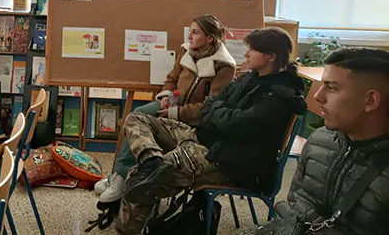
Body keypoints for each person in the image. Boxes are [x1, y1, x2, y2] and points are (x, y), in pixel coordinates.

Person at [116, 27, 307, 235]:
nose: (246, 54)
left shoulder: (279, 96)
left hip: (231, 161)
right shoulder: (250, 78)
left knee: (142, 178)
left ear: (271, 56)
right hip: (208, 140)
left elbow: (235, 123)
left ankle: (128, 230)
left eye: (252, 49)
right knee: (137, 119)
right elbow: (211, 104)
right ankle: (151, 160)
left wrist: (217, 112)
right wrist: (219, 112)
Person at [247, 48, 389, 235]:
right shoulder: (319, 140)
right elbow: (294, 205)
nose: (317, 96)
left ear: (370, 100)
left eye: (331, 87)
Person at [96, 15, 236, 203]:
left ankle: (123, 177)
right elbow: (172, 77)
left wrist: (174, 112)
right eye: (190, 31)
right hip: (172, 105)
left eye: (195, 32)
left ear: (209, 38)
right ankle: (121, 176)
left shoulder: (224, 65)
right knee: (137, 115)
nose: (190, 37)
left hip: (192, 118)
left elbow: (210, 108)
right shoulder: (186, 51)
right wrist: (165, 96)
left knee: (141, 120)